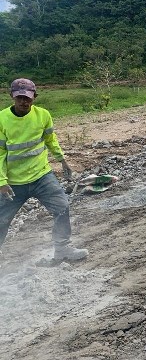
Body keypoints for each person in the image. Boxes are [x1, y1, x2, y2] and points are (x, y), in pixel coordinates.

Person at [0, 78, 88, 261]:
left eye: (28, 98)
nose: (24, 102)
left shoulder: (43, 115)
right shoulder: (2, 119)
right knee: (1, 220)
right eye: (19, 98)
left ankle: (62, 248)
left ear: (34, 97)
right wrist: (1, 181)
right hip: (13, 183)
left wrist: (62, 160)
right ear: (12, 97)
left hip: (42, 176)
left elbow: (50, 140)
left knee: (62, 207)